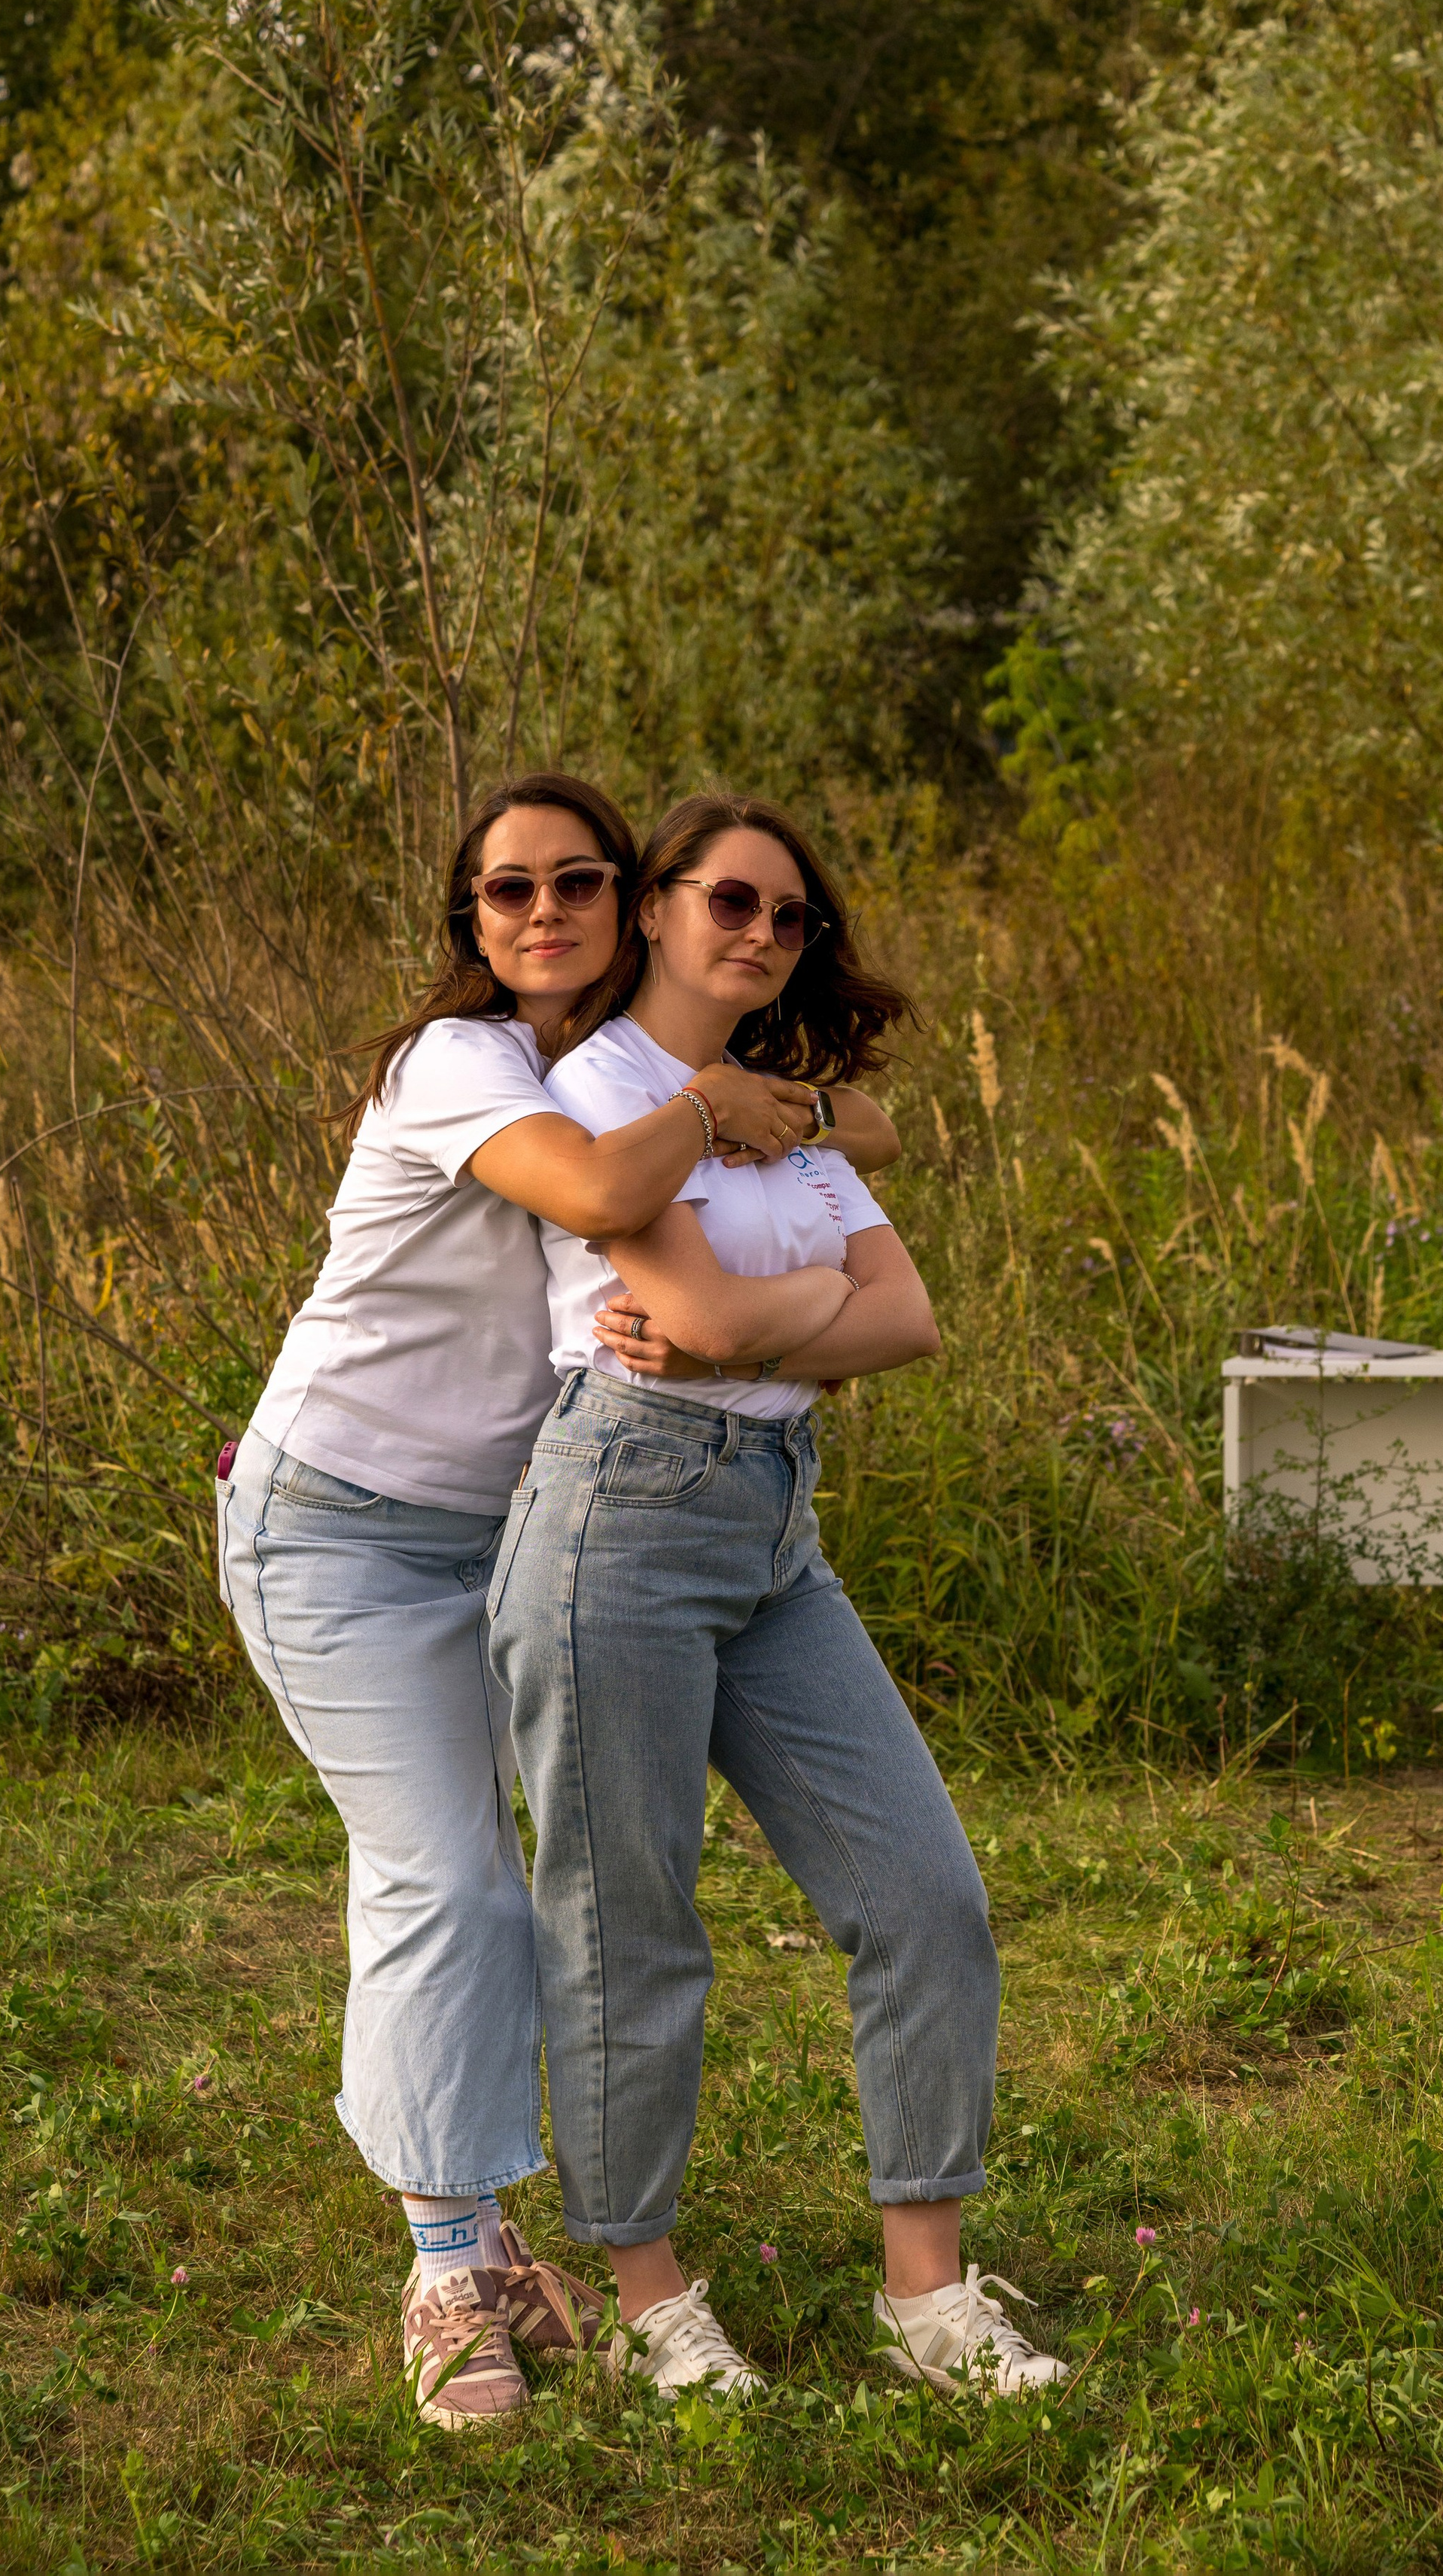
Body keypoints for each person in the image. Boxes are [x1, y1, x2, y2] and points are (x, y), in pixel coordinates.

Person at [216, 770, 900, 2427]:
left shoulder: (631, 1069)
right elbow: (601, 1199)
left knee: (503, 1886)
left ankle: (482, 2220)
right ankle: (448, 2266)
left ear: (630, 898)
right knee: (450, 1882)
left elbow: (863, 1133)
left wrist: (773, 1118)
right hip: (344, 1529)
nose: (540, 914)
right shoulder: (458, 1063)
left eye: (575, 881)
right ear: (469, 923)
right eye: (503, 892)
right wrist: (725, 1107)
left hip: (517, 1533)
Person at [489, 792, 1071, 2405]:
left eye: (789, 918)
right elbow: (703, 1310)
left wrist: (773, 1305)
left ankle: (926, 2297)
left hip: (769, 1528)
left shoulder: (791, 1122)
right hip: (620, 1514)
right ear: (660, 909)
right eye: (730, 903)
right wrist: (787, 1313)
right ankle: (648, 2292)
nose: (758, 933)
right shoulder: (600, 1092)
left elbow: (910, 1322)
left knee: (925, 1898)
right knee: (628, 1927)